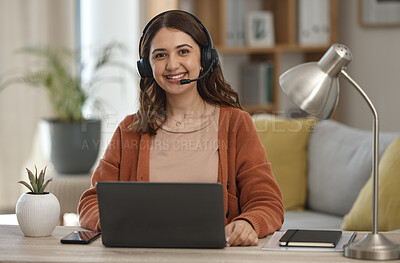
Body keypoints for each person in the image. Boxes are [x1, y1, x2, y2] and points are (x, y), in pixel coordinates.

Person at [78, 10, 284, 247]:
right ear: (147, 66)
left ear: (204, 59)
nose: (172, 65)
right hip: (144, 256)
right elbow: (90, 203)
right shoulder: (130, 129)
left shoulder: (236, 124)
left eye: (183, 51)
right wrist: (121, 223)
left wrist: (249, 223)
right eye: (160, 55)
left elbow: (268, 202)